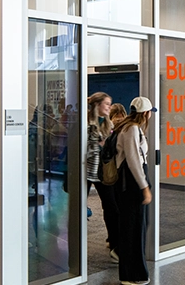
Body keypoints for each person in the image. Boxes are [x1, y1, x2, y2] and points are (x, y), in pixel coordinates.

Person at [114, 96, 155, 285]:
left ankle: (135, 272)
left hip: (131, 185)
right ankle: (132, 275)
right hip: (130, 186)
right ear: (145, 114)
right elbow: (134, 161)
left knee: (135, 226)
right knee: (133, 228)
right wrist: (144, 187)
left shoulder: (129, 128)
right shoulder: (131, 130)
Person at [85, 92, 121, 262]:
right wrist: (100, 146)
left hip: (103, 172)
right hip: (86, 171)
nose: (108, 107)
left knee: (111, 207)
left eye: (109, 104)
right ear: (97, 105)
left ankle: (115, 244)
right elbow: (83, 150)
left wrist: (103, 146)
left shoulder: (108, 123)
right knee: (78, 209)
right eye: (106, 104)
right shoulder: (86, 123)